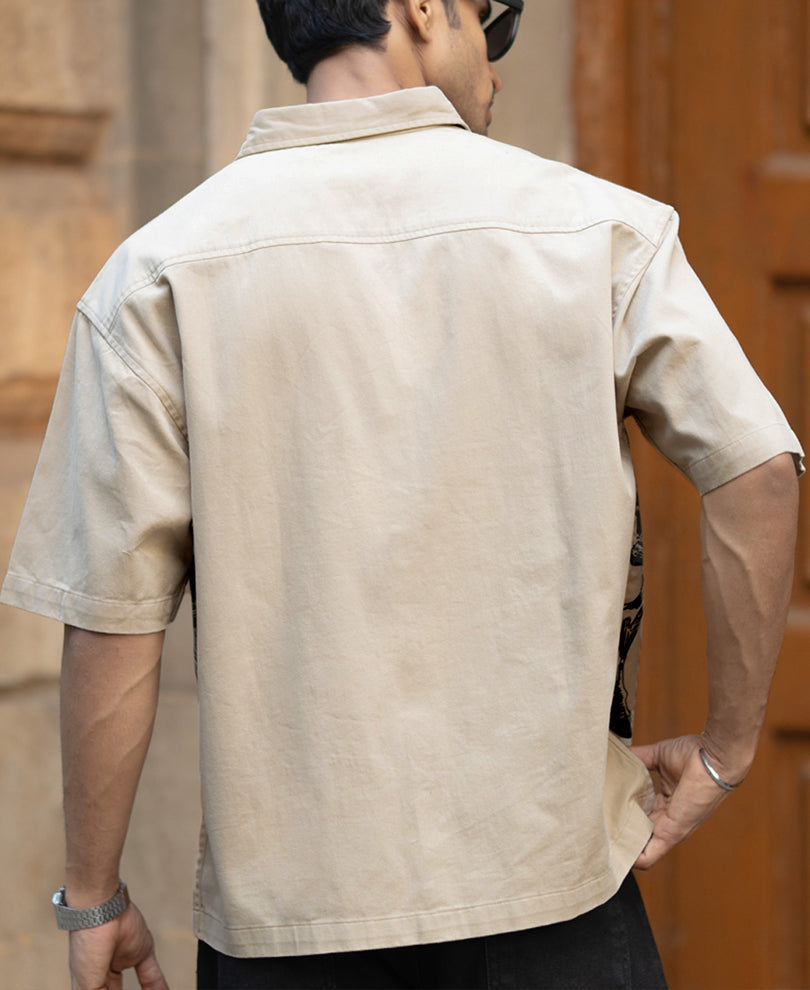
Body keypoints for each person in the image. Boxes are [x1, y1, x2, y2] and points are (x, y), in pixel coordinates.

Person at [0, 1, 803, 987]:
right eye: (491, 28)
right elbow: (759, 472)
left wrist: (94, 896)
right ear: (424, 9)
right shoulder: (605, 234)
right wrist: (724, 752)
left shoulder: (154, 276)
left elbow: (112, 620)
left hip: (287, 937)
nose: (499, 70)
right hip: (557, 910)